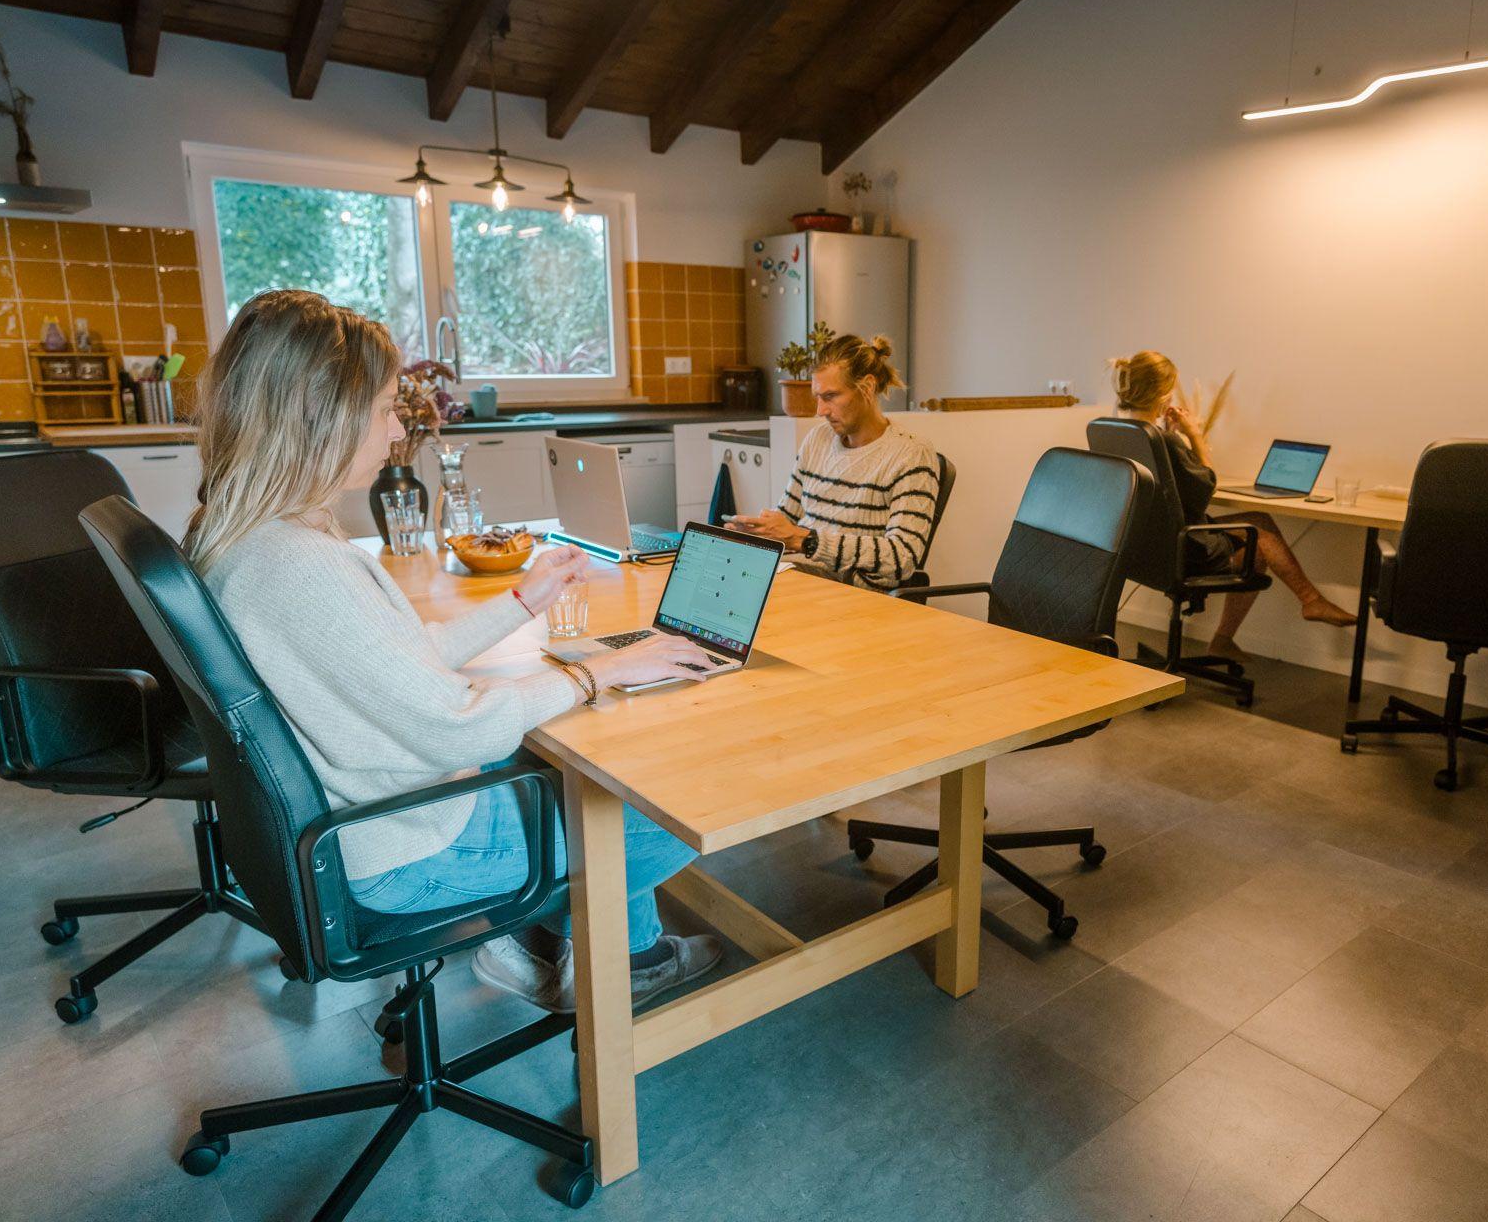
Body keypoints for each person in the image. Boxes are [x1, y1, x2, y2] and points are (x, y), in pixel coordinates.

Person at [187, 289, 725, 1013]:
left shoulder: (250, 539)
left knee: (568, 761)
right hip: (401, 845)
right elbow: (456, 724)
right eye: (383, 408)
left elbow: (395, 662)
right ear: (322, 416)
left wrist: (520, 604)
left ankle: (552, 943)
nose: (396, 427)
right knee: (675, 807)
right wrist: (596, 675)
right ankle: (610, 963)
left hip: (363, 810)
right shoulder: (298, 566)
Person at [1109, 350, 1356, 659]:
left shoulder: (1117, 431)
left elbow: (1168, 490)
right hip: (1185, 550)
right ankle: (1309, 600)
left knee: (1258, 531)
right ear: (1164, 392)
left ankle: (1233, 637)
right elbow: (1206, 487)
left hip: (1141, 550)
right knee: (1259, 536)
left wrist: (1173, 439)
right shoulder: (1164, 441)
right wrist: (1195, 436)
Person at [729, 333, 940, 590]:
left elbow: (900, 558)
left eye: (830, 396)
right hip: (798, 578)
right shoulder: (817, 439)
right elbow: (787, 516)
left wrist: (805, 541)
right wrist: (758, 532)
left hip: (851, 594)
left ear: (868, 387)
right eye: (817, 397)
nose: (820, 411)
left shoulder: (910, 453)